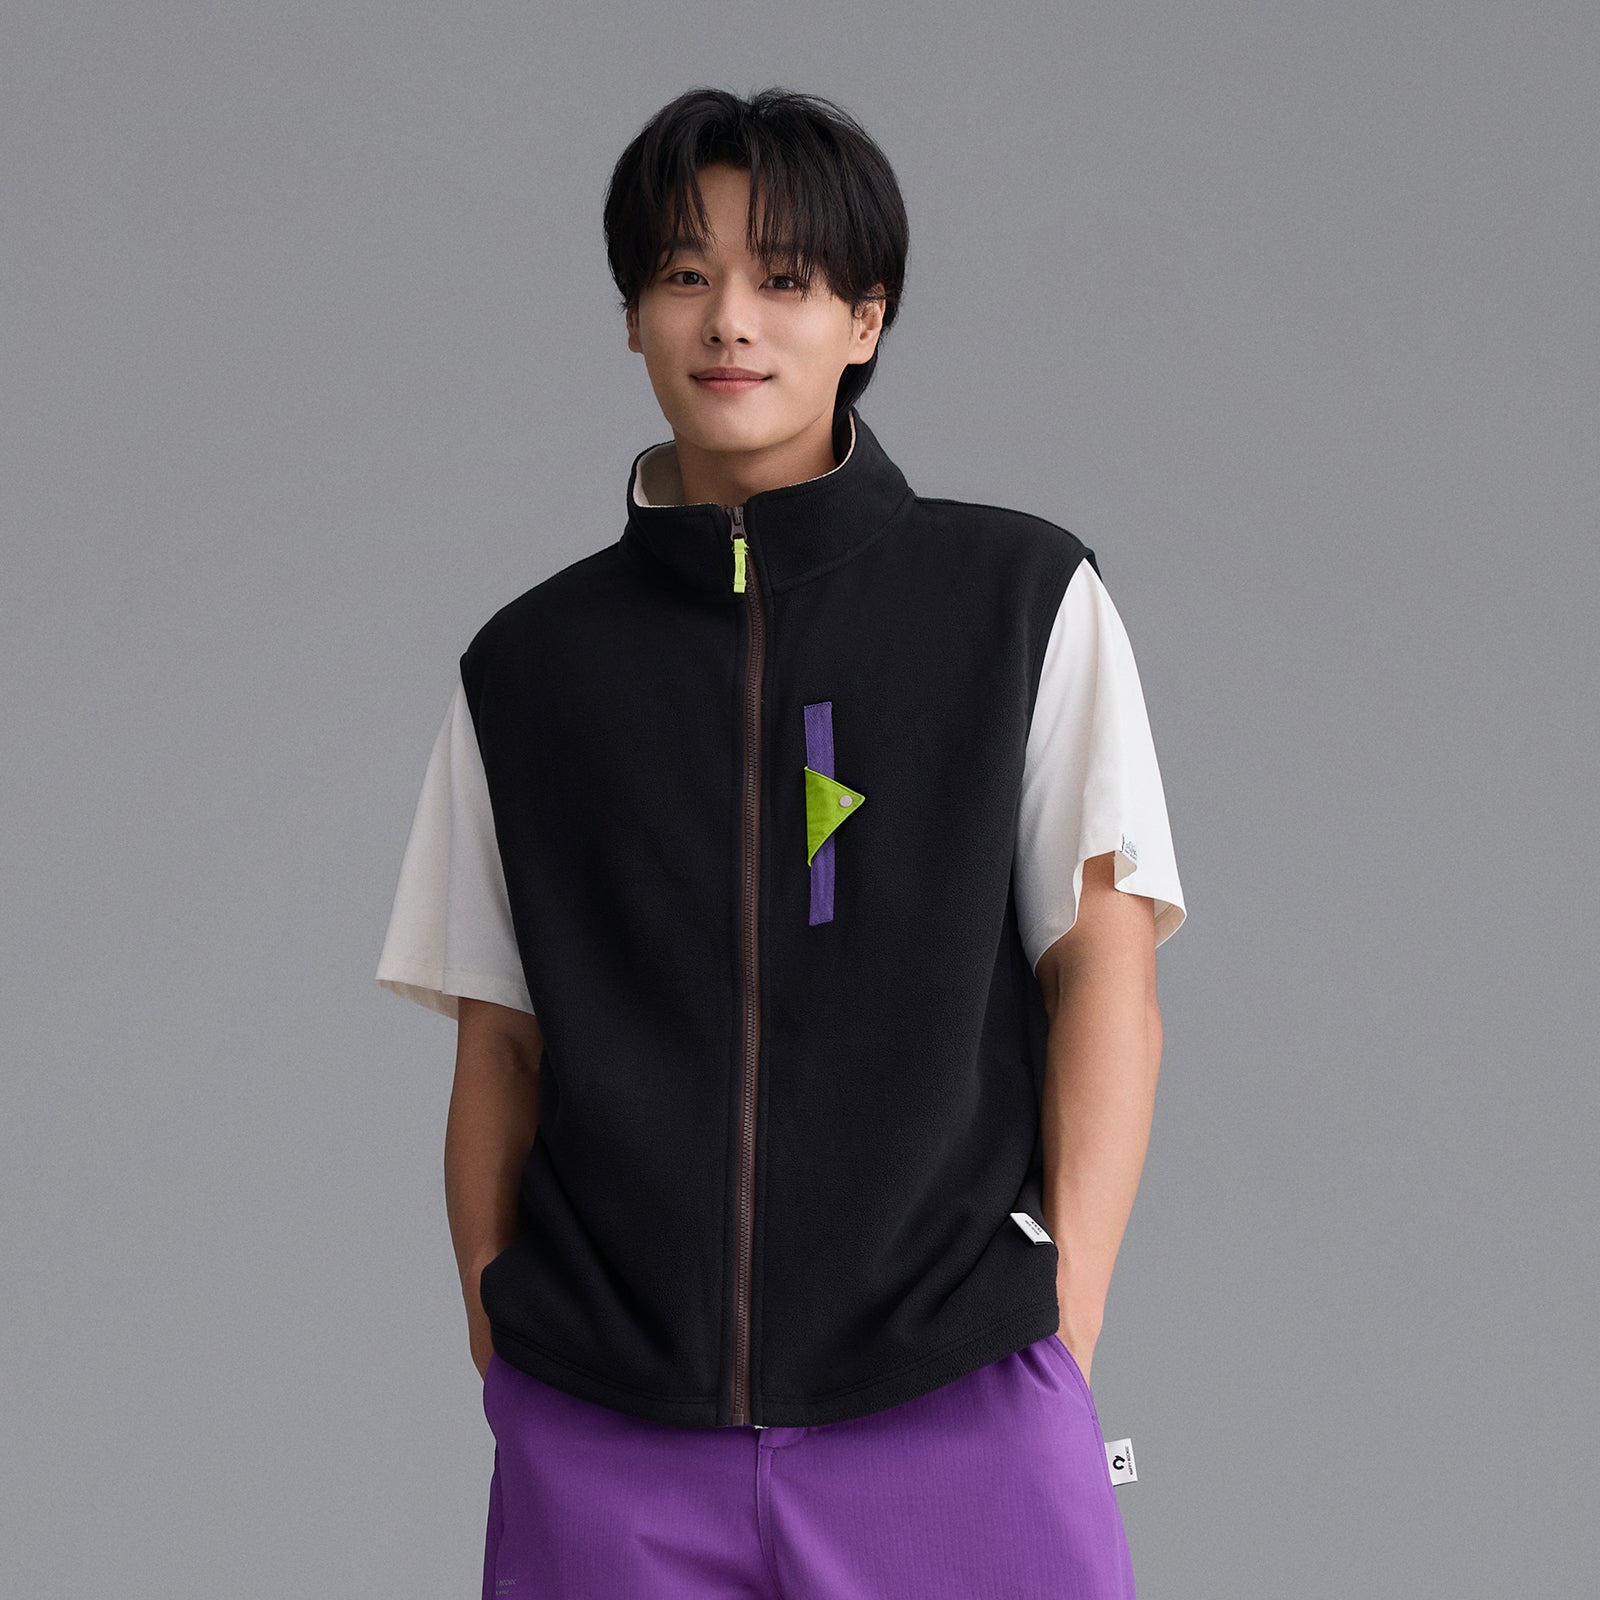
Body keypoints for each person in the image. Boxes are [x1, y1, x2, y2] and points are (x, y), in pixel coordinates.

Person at [376, 84, 1186, 1600]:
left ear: (865, 319)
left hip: (953, 1399)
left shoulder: (1018, 603)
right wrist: (511, 1359)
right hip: (608, 1433)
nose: (730, 321)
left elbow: (1106, 978)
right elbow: (500, 1046)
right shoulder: (530, 670)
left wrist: (1059, 1329)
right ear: (633, 316)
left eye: (786, 279)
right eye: (686, 274)